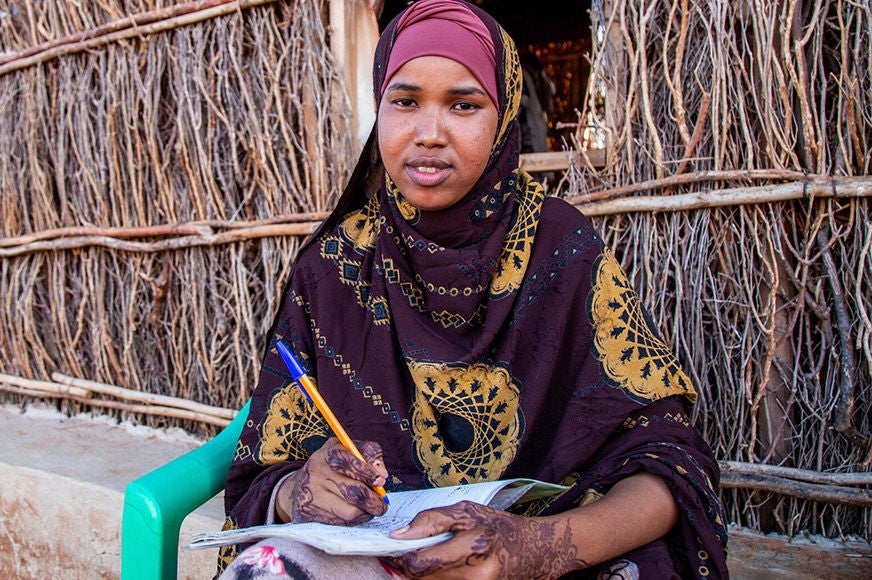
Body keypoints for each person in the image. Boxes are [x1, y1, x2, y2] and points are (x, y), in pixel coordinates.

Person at [218, 1, 728, 578]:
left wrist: (531, 549)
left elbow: (667, 468)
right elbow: (262, 474)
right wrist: (299, 490)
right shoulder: (333, 267)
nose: (429, 134)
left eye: (463, 105)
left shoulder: (562, 250)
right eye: (404, 102)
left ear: (504, 116)